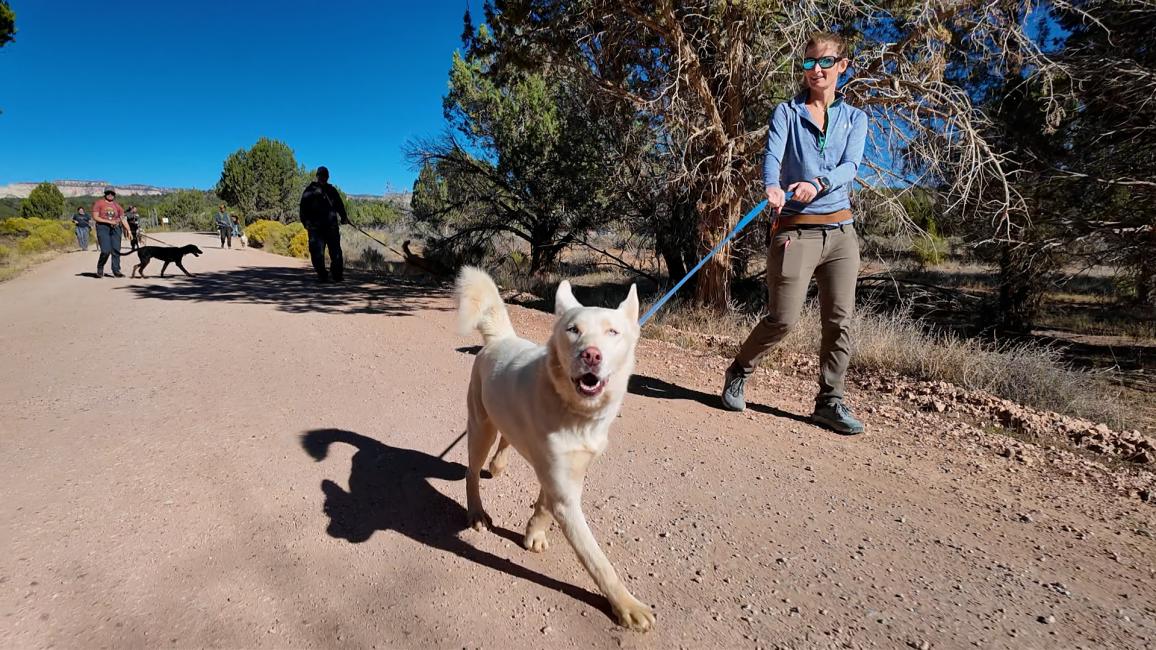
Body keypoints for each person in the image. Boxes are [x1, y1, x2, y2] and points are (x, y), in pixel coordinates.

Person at [721, 32, 868, 435]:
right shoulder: (787, 112)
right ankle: (738, 369)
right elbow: (773, 155)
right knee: (782, 319)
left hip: (840, 232)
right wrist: (773, 185)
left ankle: (829, 402)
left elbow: (850, 167)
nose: (815, 70)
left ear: (843, 66)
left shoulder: (856, 119)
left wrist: (818, 184)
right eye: (807, 63)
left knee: (840, 322)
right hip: (796, 233)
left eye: (824, 62)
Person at [299, 166, 349, 283]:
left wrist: (344, 217)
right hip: (315, 229)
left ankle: (336, 275)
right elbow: (303, 209)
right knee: (317, 254)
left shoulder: (332, 191)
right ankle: (322, 275)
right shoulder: (309, 191)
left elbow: (340, 206)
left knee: (336, 252)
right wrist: (306, 223)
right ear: (317, 176)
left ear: (327, 177)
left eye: (325, 175)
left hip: (331, 227)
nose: (323, 177)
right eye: (321, 175)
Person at [91, 188, 127, 278]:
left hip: (116, 228)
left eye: (112, 193)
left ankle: (116, 270)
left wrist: (128, 230)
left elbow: (123, 218)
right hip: (103, 228)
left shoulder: (117, 206)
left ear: (114, 194)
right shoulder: (99, 203)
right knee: (106, 250)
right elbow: (95, 217)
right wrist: (109, 222)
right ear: (105, 194)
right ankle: (100, 267)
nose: (110, 194)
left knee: (116, 250)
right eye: (108, 193)